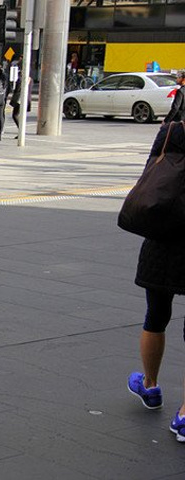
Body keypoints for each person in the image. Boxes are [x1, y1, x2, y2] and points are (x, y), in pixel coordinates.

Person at [127, 121, 185, 442]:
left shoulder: (172, 131)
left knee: (156, 316)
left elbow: (152, 174)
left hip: (163, 238)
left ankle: (150, 386)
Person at [10, 66, 32, 140]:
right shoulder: (30, 79)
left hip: (20, 100)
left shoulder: (21, 79)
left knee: (15, 115)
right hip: (26, 99)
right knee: (19, 115)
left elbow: (17, 89)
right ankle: (21, 131)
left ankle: (21, 131)